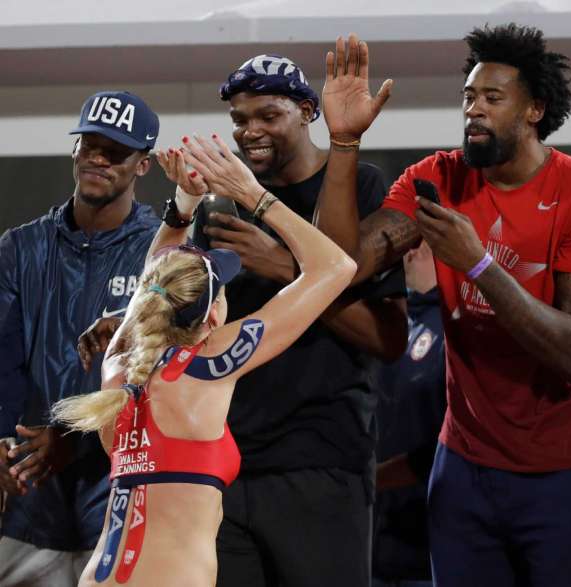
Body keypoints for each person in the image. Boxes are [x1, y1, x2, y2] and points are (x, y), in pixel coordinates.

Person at [315, 26, 571, 586]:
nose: (473, 110)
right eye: (467, 96)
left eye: (491, 98)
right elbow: (340, 265)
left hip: (564, 464)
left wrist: (480, 266)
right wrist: (343, 145)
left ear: (534, 109)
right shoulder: (438, 177)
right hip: (465, 466)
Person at [52, 136, 356, 585]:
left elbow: (149, 291)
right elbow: (335, 267)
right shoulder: (209, 364)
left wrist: (185, 203)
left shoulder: (118, 367)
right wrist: (251, 193)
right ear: (214, 313)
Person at [206, 53, 407, 587]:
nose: (251, 132)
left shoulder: (360, 187)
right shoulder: (226, 203)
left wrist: (284, 270)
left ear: (307, 111)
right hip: (224, 461)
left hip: (320, 462)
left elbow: (389, 339)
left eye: (268, 115)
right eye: (240, 120)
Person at [0, 91, 161, 585]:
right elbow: (3, 362)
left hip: (121, 498)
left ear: (142, 165)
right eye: (88, 145)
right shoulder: (20, 246)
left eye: (114, 152)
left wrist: (76, 440)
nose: (96, 159)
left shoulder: (163, 250)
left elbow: (163, 379)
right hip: (29, 497)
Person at [373, 241, 446, 587]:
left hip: (430, 541)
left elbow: (445, 444)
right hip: (376, 538)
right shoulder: (392, 324)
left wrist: (375, 479)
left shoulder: (457, 329)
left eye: (422, 247)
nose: (409, 253)